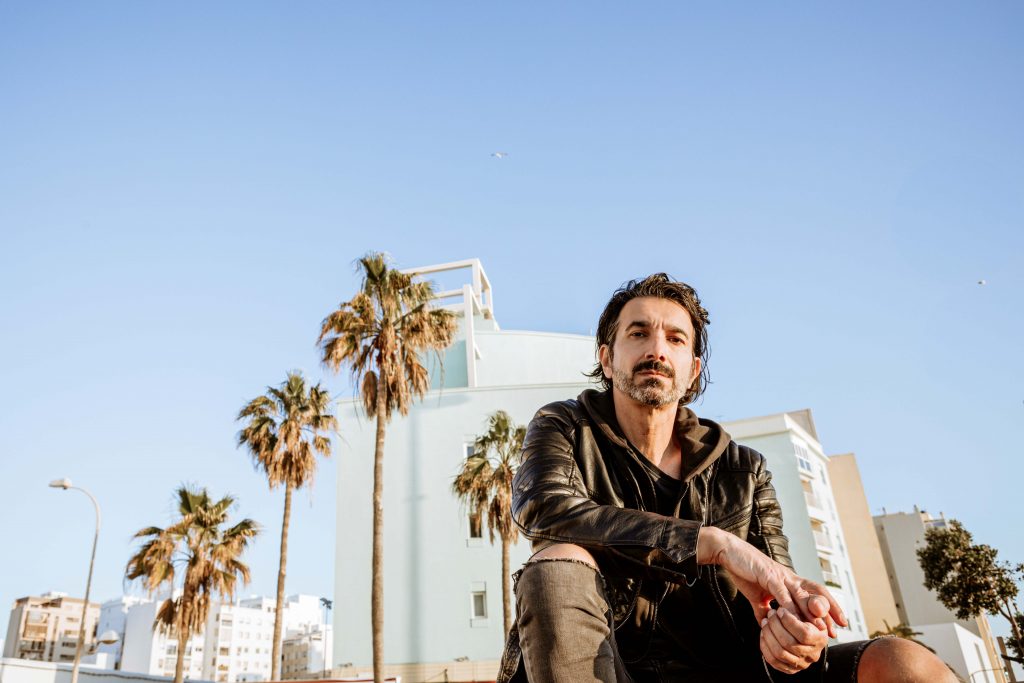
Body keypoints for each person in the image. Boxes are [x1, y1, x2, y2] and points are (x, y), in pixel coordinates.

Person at [496, 274, 954, 682]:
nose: (657, 350)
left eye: (676, 339)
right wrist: (712, 543)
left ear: (693, 369)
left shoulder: (743, 470)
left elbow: (776, 583)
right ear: (608, 358)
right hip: (605, 667)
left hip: (732, 669)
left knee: (904, 663)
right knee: (559, 562)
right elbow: (546, 509)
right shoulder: (564, 427)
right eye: (638, 333)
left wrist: (795, 630)